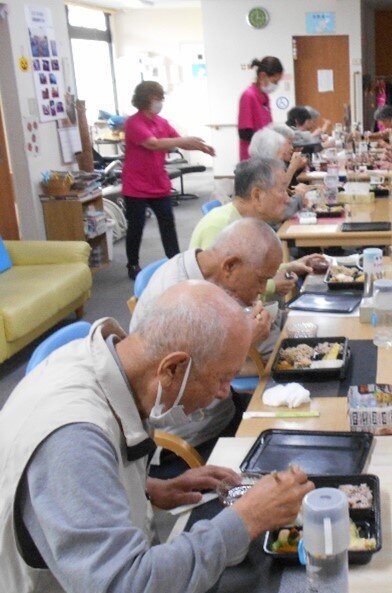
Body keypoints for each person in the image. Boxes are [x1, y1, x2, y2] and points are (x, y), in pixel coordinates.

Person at [0, 281, 315, 592]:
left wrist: (148, 488)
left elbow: (69, 494)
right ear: (173, 368)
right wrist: (247, 519)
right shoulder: (73, 438)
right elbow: (125, 584)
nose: (223, 394)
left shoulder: (109, 363)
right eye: (222, 378)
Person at [130, 220, 282, 466]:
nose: (263, 290)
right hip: (195, 436)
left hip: (225, 409)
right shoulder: (176, 301)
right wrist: (245, 340)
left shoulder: (209, 275)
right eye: (260, 280)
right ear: (230, 265)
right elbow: (168, 409)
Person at [121, 81, 214, 280]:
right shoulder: (133, 123)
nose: (160, 101)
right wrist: (184, 141)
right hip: (135, 185)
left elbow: (179, 140)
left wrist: (201, 147)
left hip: (157, 183)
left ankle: (174, 261)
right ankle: (133, 263)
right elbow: (153, 144)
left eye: (161, 98)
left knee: (167, 224)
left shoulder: (161, 122)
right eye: (157, 98)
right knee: (136, 227)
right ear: (146, 99)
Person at [189, 157, 317, 297]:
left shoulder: (250, 223)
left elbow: (249, 268)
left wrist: (289, 267)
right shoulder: (220, 226)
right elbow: (218, 288)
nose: (287, 199)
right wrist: (272, 285)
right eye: (281, 190)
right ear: (257, 195)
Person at [238, 56, 284, 160]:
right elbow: (244, 133)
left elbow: (268, 127)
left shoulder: (265, 97)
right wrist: (268, 139)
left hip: (266, 155)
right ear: (262, 76)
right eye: (275, 81)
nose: (276, 85)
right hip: (252, 157)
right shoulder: (248, 96)